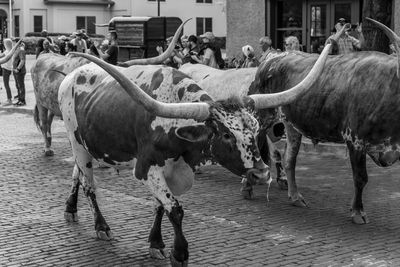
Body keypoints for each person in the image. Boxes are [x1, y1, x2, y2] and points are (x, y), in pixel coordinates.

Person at [0, 38, 15, 105]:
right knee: (6, 84)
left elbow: (2, 56)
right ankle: (9, 99)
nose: (4, 45)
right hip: (7, 69)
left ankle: (9, 99)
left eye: (4, 44)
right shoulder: (10, 51)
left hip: (6, 70)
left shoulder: (7, 52)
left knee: (6, 85)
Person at [12, 39, 26, 106]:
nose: (13, 43)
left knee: (21, 86)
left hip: (19, 71)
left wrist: (18, 68)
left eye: (14, 42)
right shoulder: (17, 49)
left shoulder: (21, 49)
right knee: (18, 85)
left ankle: (22, 100)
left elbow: (22, 60)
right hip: (16, 71)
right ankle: (19, 99)